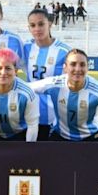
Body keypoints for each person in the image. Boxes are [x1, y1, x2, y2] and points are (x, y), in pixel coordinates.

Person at [29, 49, 98, 141]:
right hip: (60, 136)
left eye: (82, 65)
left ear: (87, 68)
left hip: (91, 136)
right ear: (65, 68)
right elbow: (27, 88)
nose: (77, 69)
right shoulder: (54, 84)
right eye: (73, 64)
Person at [23, 9, 72, 140]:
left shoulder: (64, 51)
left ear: (49, 24)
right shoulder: (26, 48)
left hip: (54, 116)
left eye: (41, 24)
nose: (37, 29)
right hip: (29, 113)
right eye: (32, 25)